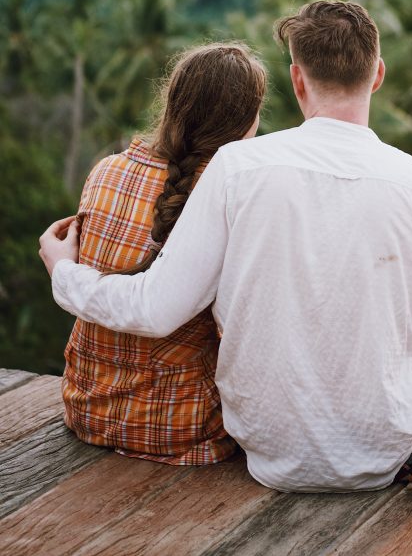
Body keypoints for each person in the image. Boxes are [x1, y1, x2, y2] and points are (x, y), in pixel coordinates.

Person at [40, 0, 412, 491]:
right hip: (383, 446)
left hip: (265, 444)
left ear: (298, 80)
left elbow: (155, 309)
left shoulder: (237, 167)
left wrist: (66, 272)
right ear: (377, 75)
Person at [50, 42, 266, 465]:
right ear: (246, 121)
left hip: (85, 407)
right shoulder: (230, 196)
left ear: (173, 103)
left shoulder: (106, 170)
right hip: (183, 426)